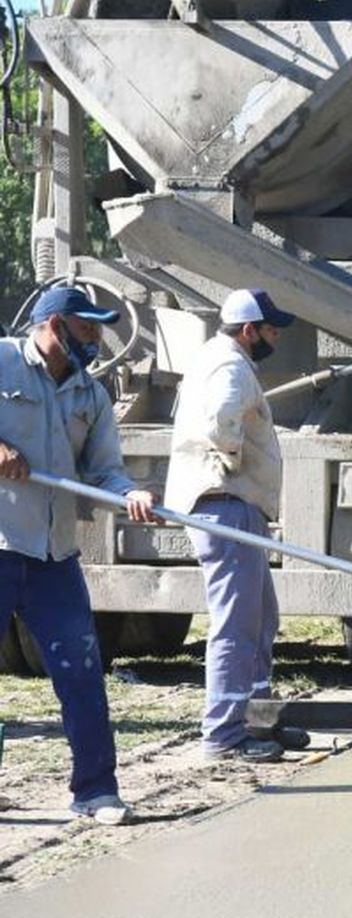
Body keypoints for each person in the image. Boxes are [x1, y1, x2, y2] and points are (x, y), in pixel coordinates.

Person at [0, 285, 159, 824]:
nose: (96, 337)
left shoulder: (90, 396)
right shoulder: (1, 362)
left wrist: (129, 492)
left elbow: (104, 468)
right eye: (87, 326)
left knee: (83, 673)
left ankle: (96, 791)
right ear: (53, 325)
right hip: (1, 544)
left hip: (54, 555)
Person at [165, 288, 299, 763]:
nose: (276, 335)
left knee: (261, 618)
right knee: (236, 626)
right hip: (226, 504)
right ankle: (223, 735)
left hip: (231, 505)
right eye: (271, 328)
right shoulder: (230, 366)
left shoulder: (217, 358)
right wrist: (232, 457)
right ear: (249, 329)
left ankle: (260, 718)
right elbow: (223, 422)